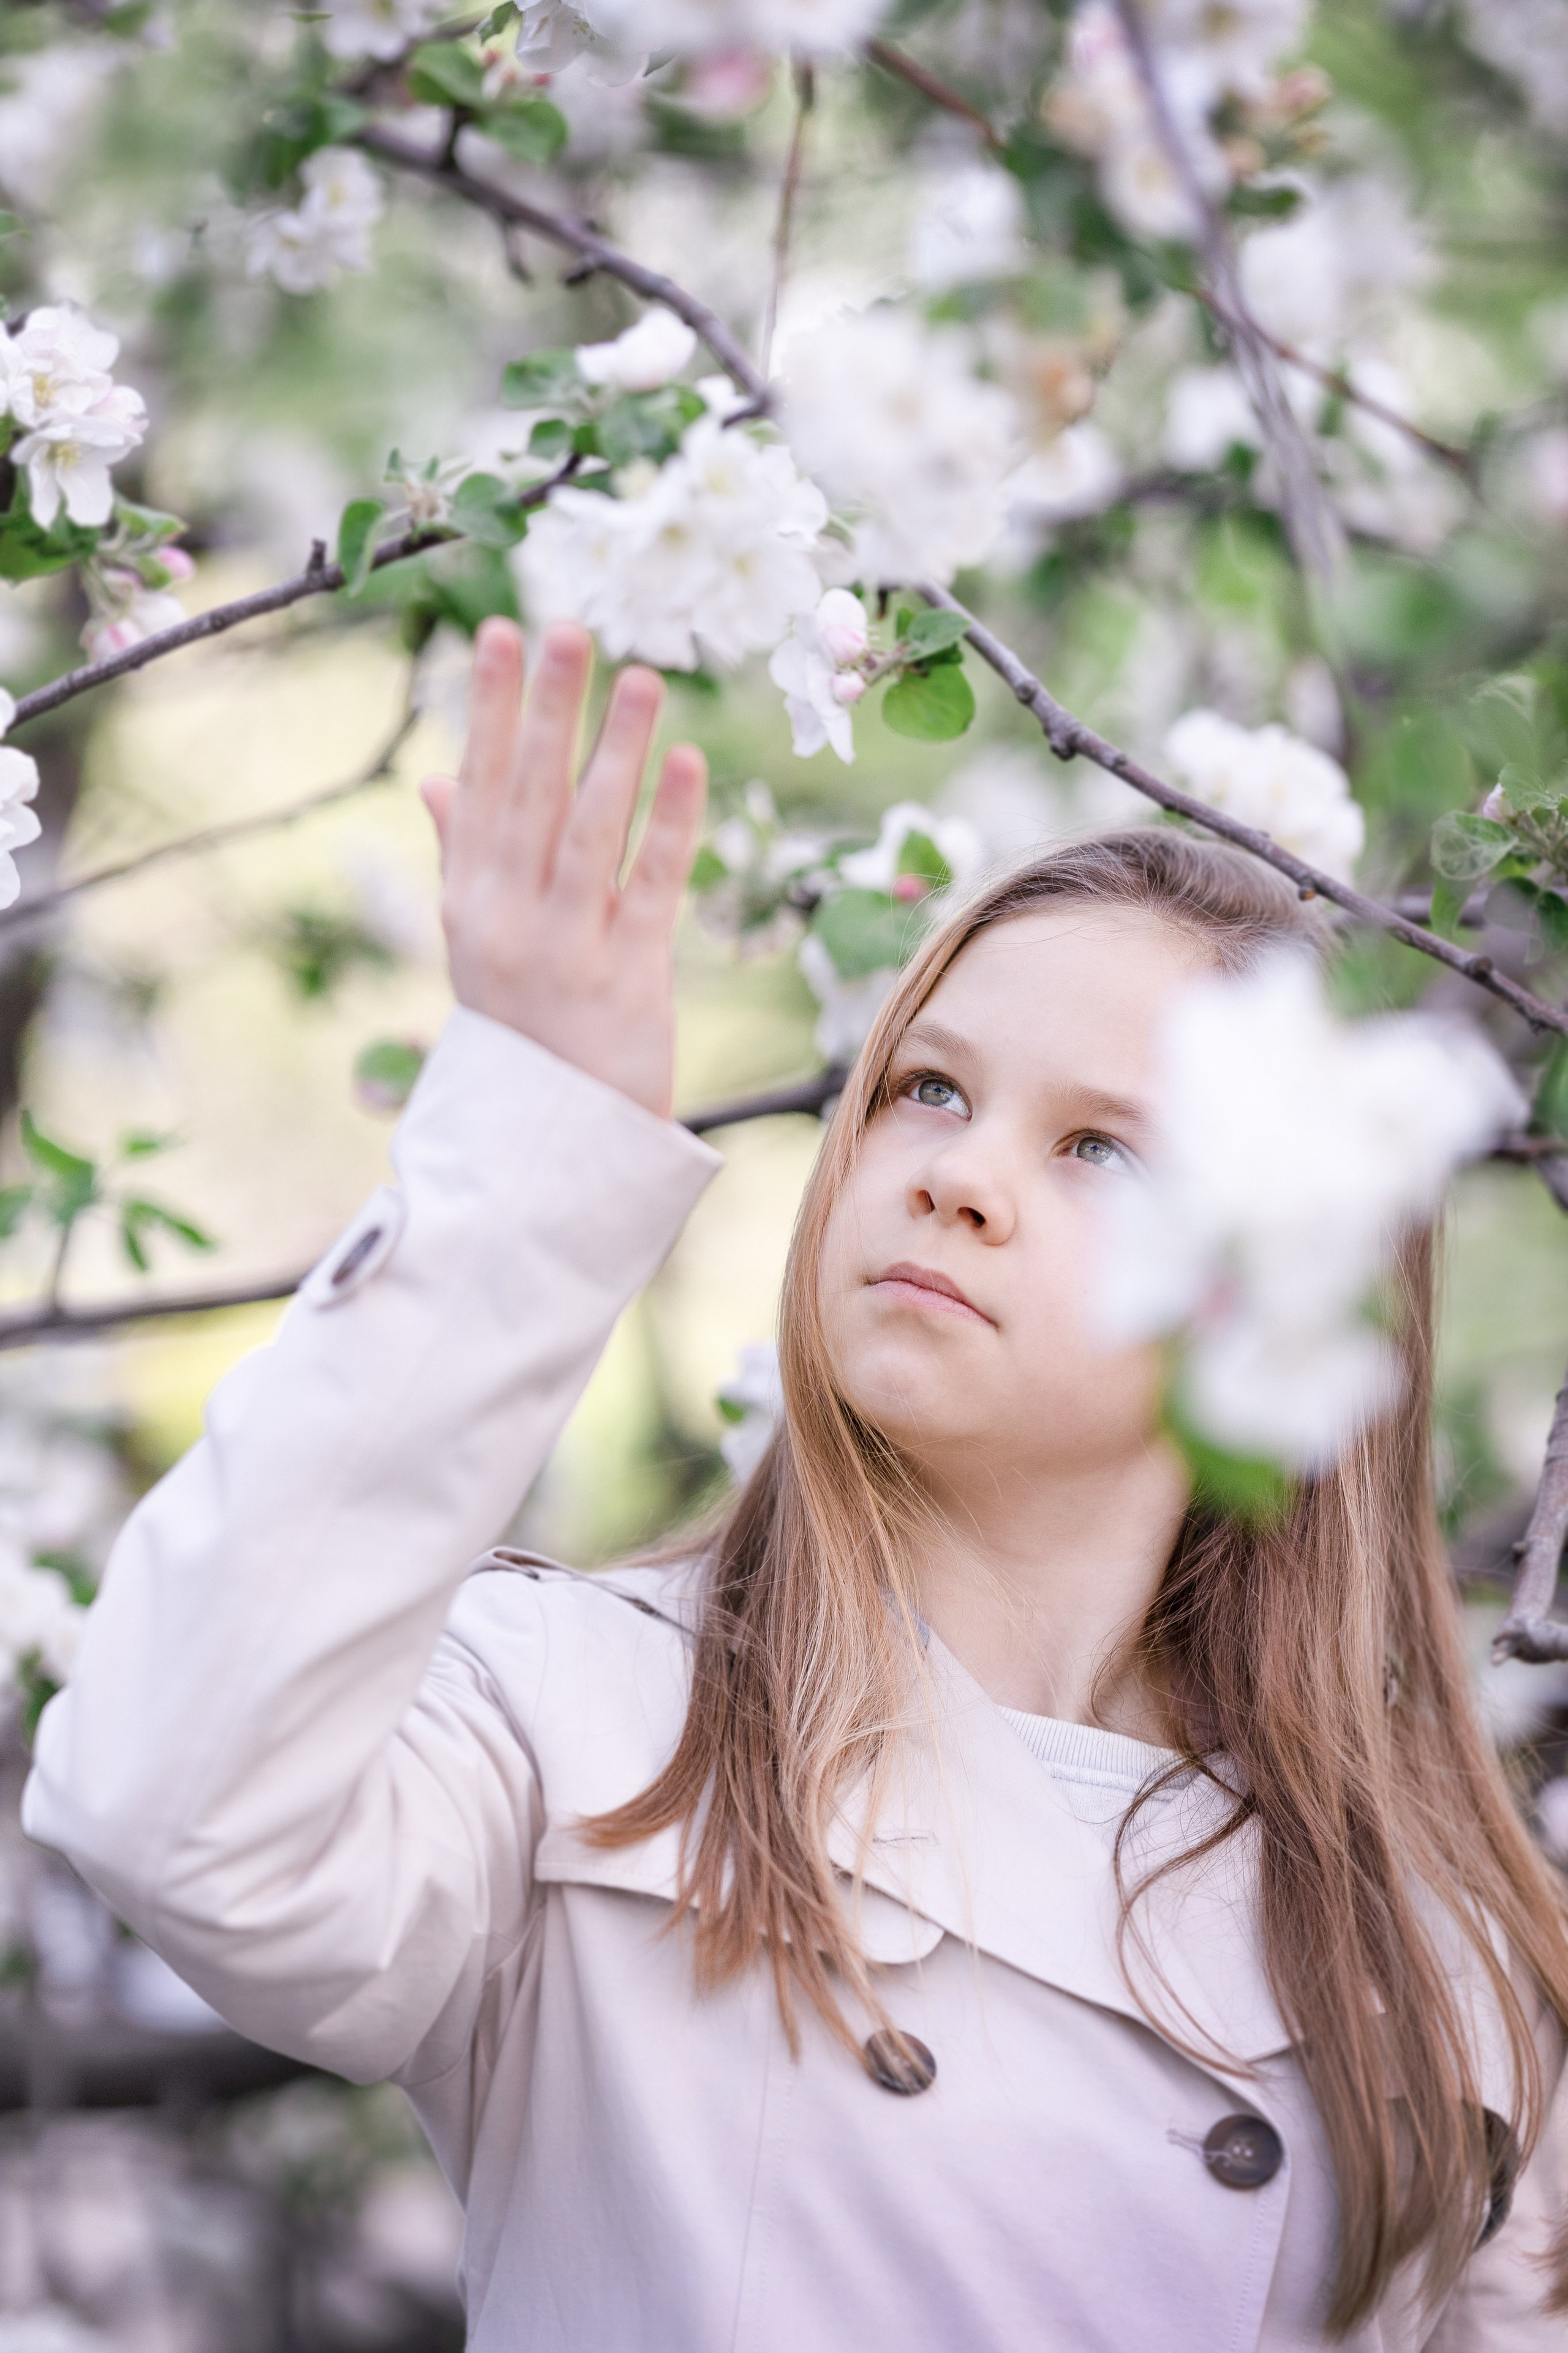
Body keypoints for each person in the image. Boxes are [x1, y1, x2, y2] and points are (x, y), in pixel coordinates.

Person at [22, 618, 1568, 2352]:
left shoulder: (1427, 1951)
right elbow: (170, 1813)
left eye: (1100, 1146)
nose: (960, 1175)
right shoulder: (593, 1725)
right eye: (927, 1088)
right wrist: (528, 1151)